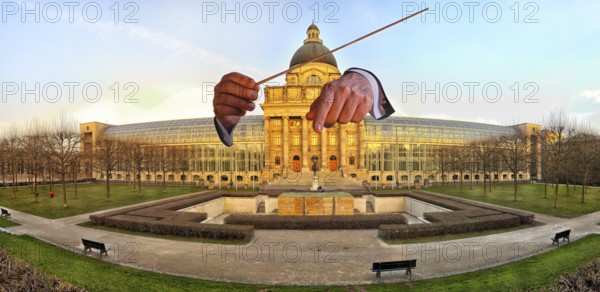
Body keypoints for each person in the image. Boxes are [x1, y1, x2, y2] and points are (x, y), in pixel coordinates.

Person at [213, 68, 394, 146]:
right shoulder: (232, 110)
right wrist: (227, 121)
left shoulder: (355, 98)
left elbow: (379, 109)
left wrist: (367, 81)